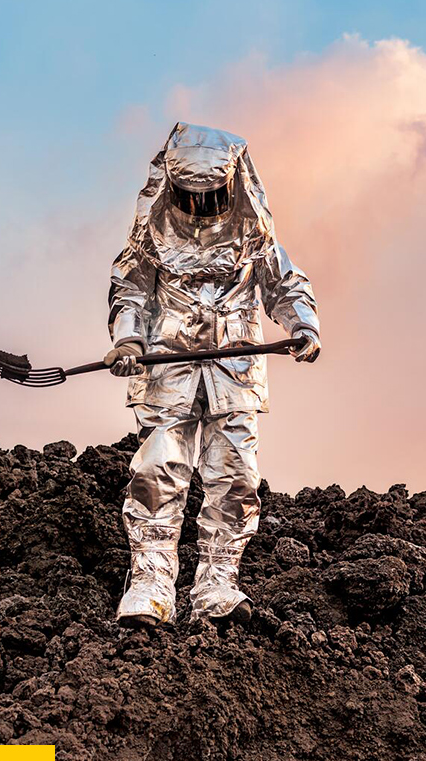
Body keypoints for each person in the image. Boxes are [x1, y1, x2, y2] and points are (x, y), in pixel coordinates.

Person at [104, 122, 321, 627]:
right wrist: (128, 340)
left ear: (232, 185)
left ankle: (218, 584)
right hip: (168, 372)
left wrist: (303, 325)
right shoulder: (151, 238)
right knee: (158, 472)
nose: (201, 208)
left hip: (234, 373)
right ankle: (151, 584)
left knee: (236, 479)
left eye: (212, 196)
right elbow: (130, 292)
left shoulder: (253, 236)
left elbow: (285, 286)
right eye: (190, 197)